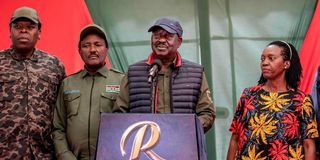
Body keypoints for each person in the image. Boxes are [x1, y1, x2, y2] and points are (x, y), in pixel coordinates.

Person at [113, 17, 215, 133]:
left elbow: (207, 113)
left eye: (168, 36)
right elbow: (119, 113)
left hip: (183, 145)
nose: (161, 40)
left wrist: (190, 129)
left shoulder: (195, 73)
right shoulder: (133, 72)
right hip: (143, 145)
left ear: (179, 42)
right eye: (157, 36)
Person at [227, 41, 319, 160]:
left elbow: (309, 145)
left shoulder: (301, 100)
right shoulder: (249, 95)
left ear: (286, 64)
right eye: (263, 59)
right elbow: (235, 138)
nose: (265, 63)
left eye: (271, 58)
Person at [0, 6, 66, 159]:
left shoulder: (54, 65)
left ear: (39, 33)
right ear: (10, 32)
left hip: (44, 154)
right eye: (18, 27)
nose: (23, 31)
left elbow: (63, 111)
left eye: (30, 27)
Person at [53, 24, 124, 159]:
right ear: (79, 51)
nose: (92, 50)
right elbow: (58, 128)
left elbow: (129, 124)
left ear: (106, 49)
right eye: (86, 46)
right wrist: (65, 156)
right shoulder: (68, 83)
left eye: (98, 45)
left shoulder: (122, 81)